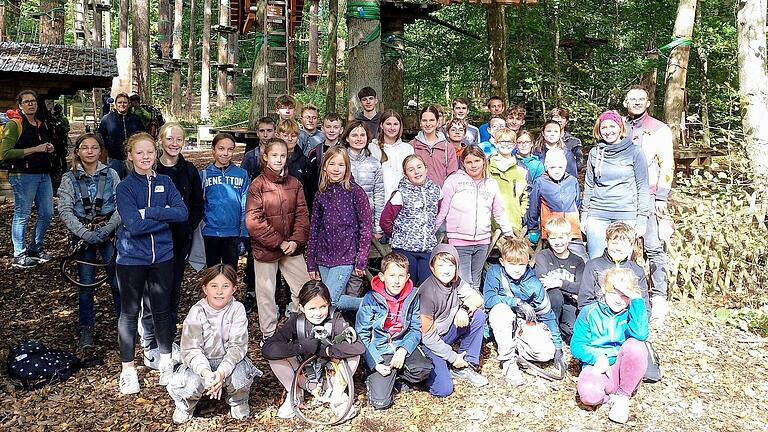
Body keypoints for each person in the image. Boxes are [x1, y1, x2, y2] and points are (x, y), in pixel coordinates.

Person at [115, 133, 188, 394]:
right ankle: (128, 369)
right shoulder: (124, 187)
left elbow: (181, 213)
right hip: (132, 258)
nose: (146, 157)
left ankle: (166, 362)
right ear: (130, 156)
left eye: (150, 152)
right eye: (140, 153)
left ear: (155, 155)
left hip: (163, 257)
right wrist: (163, 217)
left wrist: (151, 212)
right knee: (130, 312)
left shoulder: (166, 182)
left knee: (162, 309)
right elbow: (133, 225)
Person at [140, 122, 205, 366]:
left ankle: (167, 339)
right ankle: (150, 343)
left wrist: (188, 226)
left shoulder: (188, 170)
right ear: (160, 141)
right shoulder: (150, 168)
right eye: (169, 138)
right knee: (152, 292)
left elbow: (198, 203)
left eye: (179, 139)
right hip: (151, 239)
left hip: (179, 240)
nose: (174, 143)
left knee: (173, 291)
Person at [167, 264, 259, 423]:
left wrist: (222, 372)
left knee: (241, 376)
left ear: (234, 289)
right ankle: (185, 405)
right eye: (214, 286)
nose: (219, 291)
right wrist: (206, 373)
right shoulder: (196, 311)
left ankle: (238, 401)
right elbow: (191, 349)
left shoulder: (237, 309)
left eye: (225, 286)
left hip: (229, 361)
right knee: (189, 383)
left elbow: (237, 346)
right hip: (201, 364)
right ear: (205, 288)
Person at [261, 280, 365, 420]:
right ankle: (294, 394)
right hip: (304, 376)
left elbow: (358, 347)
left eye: (323, 307)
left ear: (329, 304)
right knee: (276, 357)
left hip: (331, 376)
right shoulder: (296, 321)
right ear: (302, 308)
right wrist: (300, 348)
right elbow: (268, 349)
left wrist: (327, 350)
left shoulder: (335, 319)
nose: (318, 313)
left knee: (353, 356)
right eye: (312, 308)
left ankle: (338, 397)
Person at [57, 133, 121, 348]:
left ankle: (125, 325)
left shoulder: (111, 174)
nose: (90, 151)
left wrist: (107, 229)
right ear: (78, 151)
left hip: (108, 232)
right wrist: (85, 234)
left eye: (94, 147)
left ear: (100, 151)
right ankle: (86, 329)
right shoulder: (69, 178)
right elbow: (65, 210)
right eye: (85, 148)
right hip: (82, 234)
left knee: (116, 281)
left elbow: (121, 205)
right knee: (86, 284)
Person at [245, 138, 311, 340]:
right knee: (266, 295)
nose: (279, 160)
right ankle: (269, 335)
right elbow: (253, 221)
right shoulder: (258, 185)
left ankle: (302, 329)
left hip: (292, 248)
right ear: (265, 157)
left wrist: (294, 241)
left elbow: (302, 215)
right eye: (274, 155)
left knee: (304, 288)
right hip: (267, 249)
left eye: (283, 156)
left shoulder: (295, 184)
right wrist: (278, 242)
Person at [572, 267, 649, 424]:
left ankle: (623, 397)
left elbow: (640, 334)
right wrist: (597, 357)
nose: (619, 299)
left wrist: (636, 299)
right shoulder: (589, 312)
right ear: (604, 291)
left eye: (624, 295)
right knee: (588, 395)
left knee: (637, 346)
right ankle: (609, 397)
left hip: (623, 367)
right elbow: (577, 345)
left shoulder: (631, 311)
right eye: (614, 293)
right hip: (598, 366)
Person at [355, 252, 433, 410]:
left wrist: (404, 350)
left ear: (407, 277)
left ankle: (398, 377)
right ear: (382, 277)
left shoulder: (412, 296)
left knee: (424, 370)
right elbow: (362, 334)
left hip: (402, 344)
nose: (396, 281)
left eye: (401, 276)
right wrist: (375, 362)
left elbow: (415, 328)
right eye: (392, 275)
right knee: (380, 403)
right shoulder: (371, 299)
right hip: (380, 349)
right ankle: (379, 378)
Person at [483, 237, 565, 386]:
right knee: (501, 311)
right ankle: (508, 361)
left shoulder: (533, 283)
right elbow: (488, 300)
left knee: (546, 353)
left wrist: (558, 348)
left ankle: (517, 347)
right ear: (502, 262)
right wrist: (516, 302)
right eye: (512, 263)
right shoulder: (495, 273)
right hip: (503, 317)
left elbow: (548, 315)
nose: (516, 268)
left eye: (521, 264)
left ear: (528, 263)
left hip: (523, 323)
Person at [624, 85, 675, 322]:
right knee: (623, 244)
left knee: (653, 246)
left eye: (640, 99)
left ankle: (659, 296)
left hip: (651, 194)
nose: (636, 103)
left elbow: (667, 164)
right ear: (625, 102)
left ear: (647, 103)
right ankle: (627, 292)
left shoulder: (659, 129)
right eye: (632, 99)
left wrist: (662, 195)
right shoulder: (619, 126)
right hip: (624, 195)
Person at [435, 145, 514, 291]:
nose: (473, 165)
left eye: (477, 161)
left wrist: (508, 231)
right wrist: (432, 231)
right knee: (464, 282)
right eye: (469, 162)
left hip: (482, 241)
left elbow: (498, 210)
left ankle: (476, 313)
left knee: (476, 281)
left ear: (483, 161)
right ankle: (464, 311)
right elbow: (442, 209)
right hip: (459, 240)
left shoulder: (491, 184)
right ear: (463, 163)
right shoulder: (453, 181)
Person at [307, 146, 372, 312]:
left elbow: (366, 228)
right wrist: (311, 262)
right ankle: (336, 334)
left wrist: (361, 259)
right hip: (323, 256)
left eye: (341, 165)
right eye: (332, 164)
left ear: (347, 168)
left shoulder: (355, 192)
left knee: (330, 300)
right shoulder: (321, 193)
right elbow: (314, 228)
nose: (336, 169)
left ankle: (371, 305)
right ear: (324, 167)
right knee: (329, 306)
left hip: (346, 256)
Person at [419, 244, 488, 397]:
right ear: (432, 267)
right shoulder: (427, 293)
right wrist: (452, 357)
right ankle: (429, 373)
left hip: (447, 333)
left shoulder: (456, 281)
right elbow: (427, 337)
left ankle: (466, 365)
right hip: (430, 342)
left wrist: (463, 309)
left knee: (478, 316)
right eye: (441, 265)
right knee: (443, 390)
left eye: (450, 265)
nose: (446, 270)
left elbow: (478, 299)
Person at [581, 111, 650, 259]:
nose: (608, 131)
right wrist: (584, 215)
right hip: (598, 215)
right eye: (604, 127)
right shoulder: (595, 152)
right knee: (596, 261)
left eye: (612, 126)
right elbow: (589, 186)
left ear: (620, 127)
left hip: (626, 214)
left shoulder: (635, 152)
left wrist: (642, 220)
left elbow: (643, 188)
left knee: (621, 262)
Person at [2, 90, 56, 268]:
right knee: (22, 214)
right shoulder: (14, 125)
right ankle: (19, 254)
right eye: (26, 102)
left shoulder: (41, 124)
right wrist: (35, 149)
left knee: (47, 213)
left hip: (43, 174)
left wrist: (49, 148)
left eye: (33, 101)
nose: (30, 104)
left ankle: (35, 247)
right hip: (23, 175)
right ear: (20, 105)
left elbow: (43, 146)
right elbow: (5, 153)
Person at [380, 155, 442, 286]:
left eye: (419, 167)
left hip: (427, 248)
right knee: (407, 284)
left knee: (427, 284)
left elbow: (438, 213)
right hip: (405, 249)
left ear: (426, 169)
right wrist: (398, 234)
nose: (416, 172)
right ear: (406, 174)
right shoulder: (400, 194)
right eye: (411, 169)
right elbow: (385, 220)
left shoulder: (436, 191)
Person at [525, 148, 586, 259]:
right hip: (551, 230)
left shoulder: (572, 181)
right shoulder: (540, 182)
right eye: (552, 167)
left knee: (581, 259)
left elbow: (577, 203)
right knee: (551, 261)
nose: (557, 171)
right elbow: (534, 207)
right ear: (547, 167)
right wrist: (532, 228)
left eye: (560, 167)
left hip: (572, 230)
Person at [200, 133, 249, 268]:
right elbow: (199, 204)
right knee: (212, 271)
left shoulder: (241, 174)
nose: (226, 153)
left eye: (230, 149)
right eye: (221, 149)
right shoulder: (204, 175)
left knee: (230, 271)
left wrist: (244, 233)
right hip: (210, 232)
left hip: (233, 233)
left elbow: (245, 204)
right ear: (213, 149)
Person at [578, 221, 650, 311]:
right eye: (614, 243)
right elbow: (584, 301)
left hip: (627, 320)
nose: (618, 248)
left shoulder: (637, 270)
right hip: (599, 318)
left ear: (631, 246)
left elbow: (644, 305)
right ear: (606, 242)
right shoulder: (593, 266)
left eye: (623, 244)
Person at [533, 217, 585, 342]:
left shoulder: (578, 261)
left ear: (569, 238)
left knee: (572, 331)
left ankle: (559, 330)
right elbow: (542, 282)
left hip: (569, 303)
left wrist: (558, 283)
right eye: (553, 238)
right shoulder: (543, 256)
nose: (557, 242)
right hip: (550, 301)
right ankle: (550, 334)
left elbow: (581, 287)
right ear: (548, 239)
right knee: (555, 295)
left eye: (561, 237)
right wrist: (570, 291)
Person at [342, 120, 384, 239]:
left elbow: (379, 196)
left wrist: (378, 228)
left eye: (362, 135)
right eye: (354, 135)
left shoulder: (374, 163)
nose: (359, 139)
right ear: (347, 138)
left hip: (366, 222)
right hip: (343, 222)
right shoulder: (340, 161)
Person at [488, 127, 529, 234]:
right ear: (496, 143)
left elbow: (527, 194)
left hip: (514, 221)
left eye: (509, 142)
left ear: (515, 144)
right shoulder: (486, 166)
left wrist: (522, 213)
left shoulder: (521, 168)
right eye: (502, 141)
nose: (506, 144)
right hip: (490, 224)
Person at [368, 110, 414, 201]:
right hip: (379, 200)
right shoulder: (372, 148)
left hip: (402, 200)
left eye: (395, 124)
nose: (392, 128)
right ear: (381, 125)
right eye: (388, 124)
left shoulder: (407, 148)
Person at [97, 92, 145, 179]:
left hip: (132, 158)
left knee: (133, 182)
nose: (122, 105)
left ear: (129, 104)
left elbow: (142, 136)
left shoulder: (136, 119)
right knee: (115, 183)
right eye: (119, 102)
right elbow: (100, 135)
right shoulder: (107, 119)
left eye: (125, 102)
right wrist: (108, 146)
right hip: (114, 158)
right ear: (115, 104)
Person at [410, 105, 458, 188]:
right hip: (417, 197)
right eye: (424, 120)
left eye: (431, 120)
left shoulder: (447, 148)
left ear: (437, 122)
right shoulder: (411, 146)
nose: (428, 124)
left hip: (441, 196)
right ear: (420, 122)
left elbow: (452, 176)